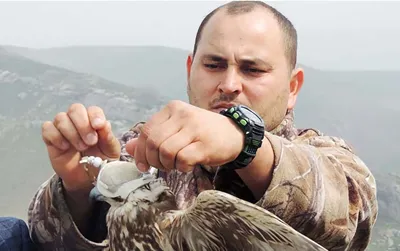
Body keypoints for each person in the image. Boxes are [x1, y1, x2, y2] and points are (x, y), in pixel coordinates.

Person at [27, 1, 378, 250]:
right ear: (190, 70)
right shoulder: (138, 153)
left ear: (292, 88)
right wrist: (78, 189)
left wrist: (246, 143)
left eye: (252, 69)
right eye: (213, 64)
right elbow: (45, 242)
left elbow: (348, 219)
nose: (229, 84)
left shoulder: (327, 159)